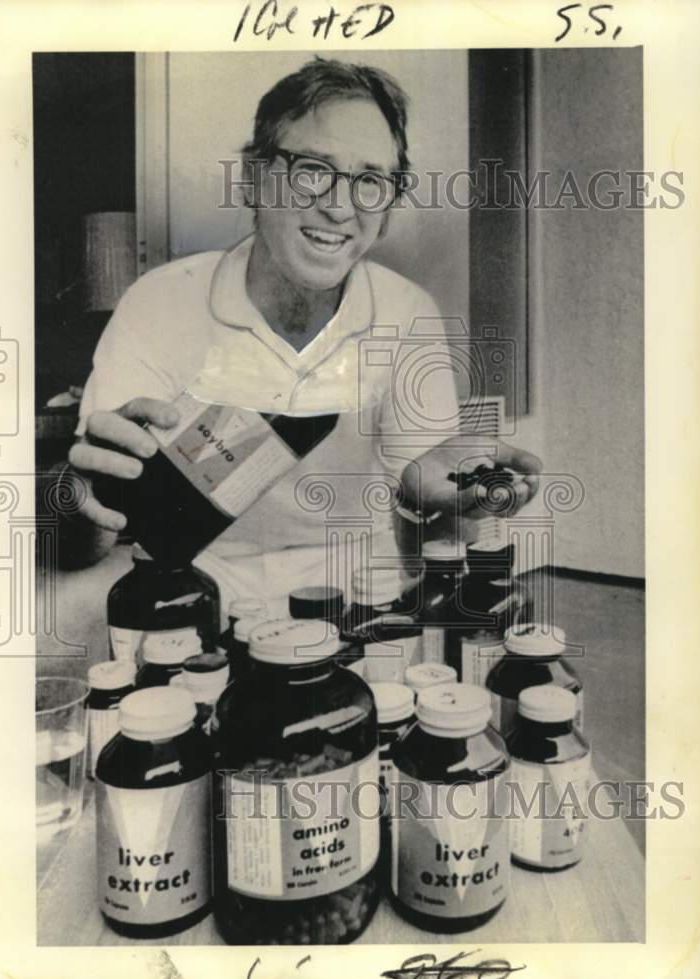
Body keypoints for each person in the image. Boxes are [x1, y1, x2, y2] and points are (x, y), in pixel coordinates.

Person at [62, 57, 541, 614]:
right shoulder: (159, 302)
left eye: (369, 181)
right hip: (192, 593)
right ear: (252, 178)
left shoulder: (409, 314)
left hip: (360, 597)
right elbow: (87, 535)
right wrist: (82, 497)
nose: (339, 207)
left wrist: (427, 499)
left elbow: (426, 542)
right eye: (312, 169)